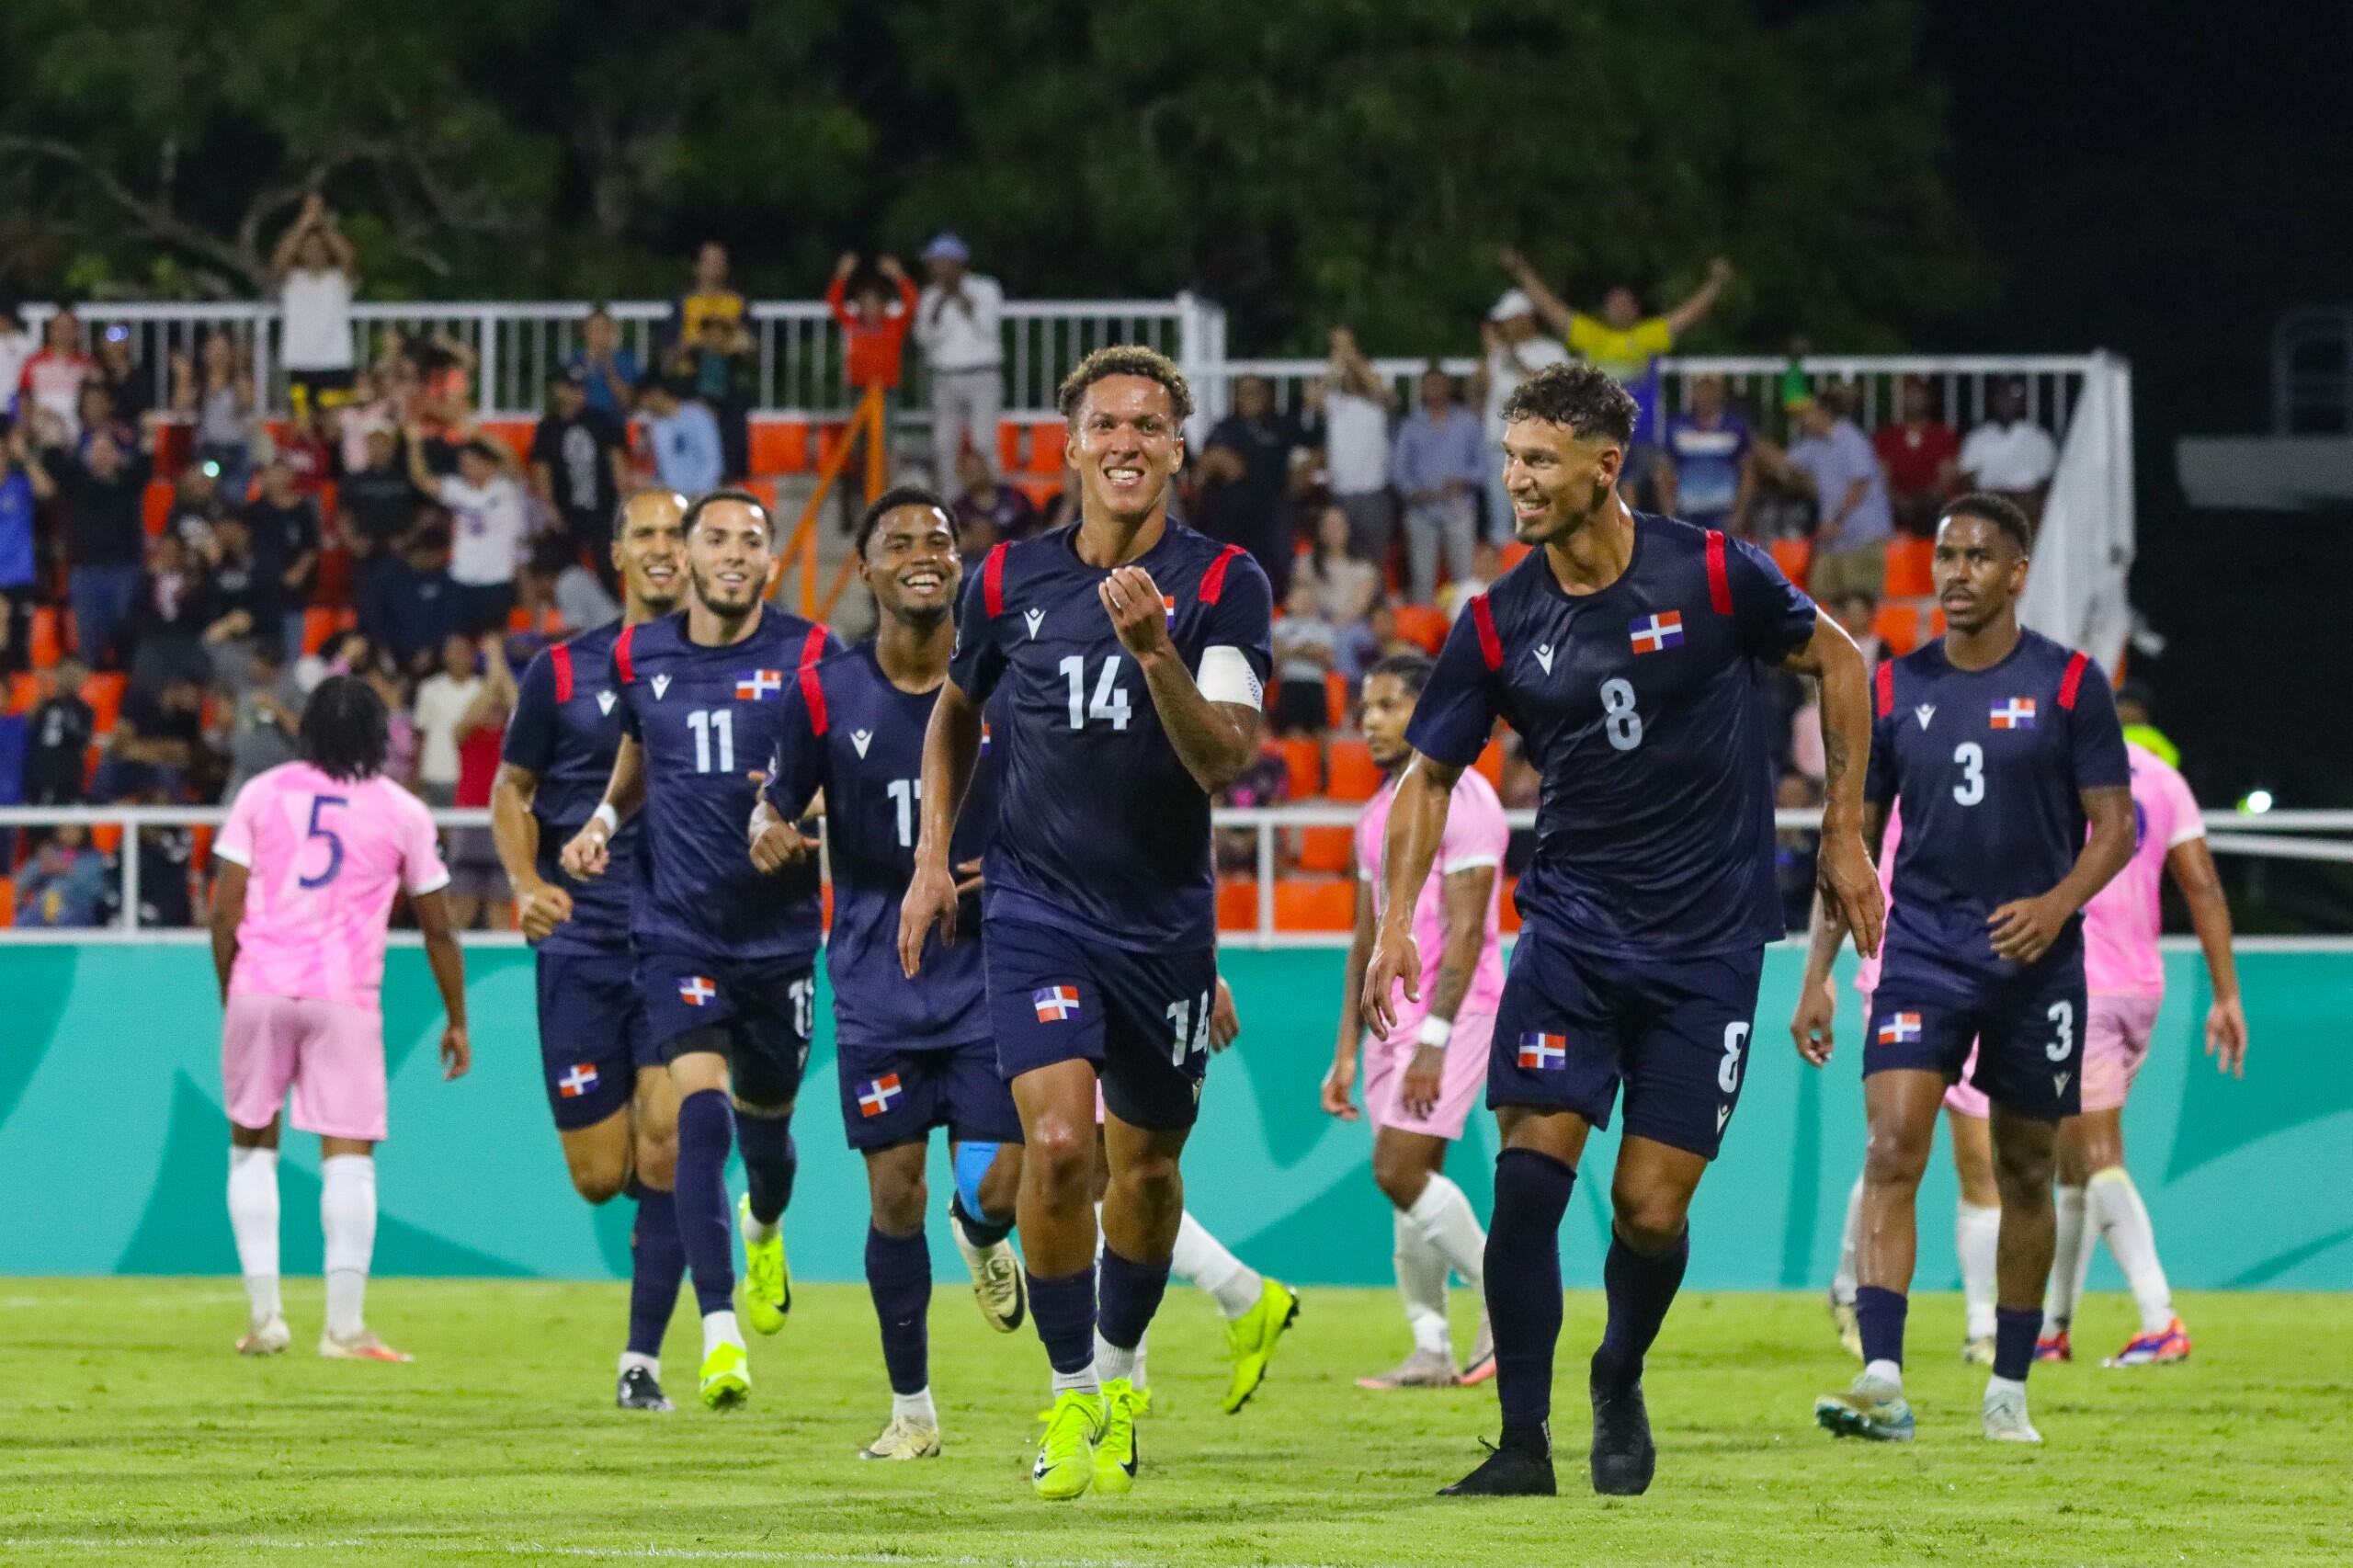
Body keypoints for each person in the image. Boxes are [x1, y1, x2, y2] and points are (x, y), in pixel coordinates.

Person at [1361, 362, 1880, 1498]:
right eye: (1510, 458)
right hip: (1573, 938)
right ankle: (1520, 1445)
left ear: (1605, 466)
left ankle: (1619, 1369)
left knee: (1650, 1210)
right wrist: (1396, 918)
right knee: (1529, 1187)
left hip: (1707, 949)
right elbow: (1428, 772)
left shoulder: (1709, 570)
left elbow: (1841, 658)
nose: (1517, 480)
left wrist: (1841, 834)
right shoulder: (1498, 621)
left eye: (1539, 460)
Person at [897, 345, 1275, 1501]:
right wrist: (930, 861)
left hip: (1160, 922)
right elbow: (955, 713)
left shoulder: (1225, 583)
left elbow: (1226, 756)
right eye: (1106, 423)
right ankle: (1069, 1400)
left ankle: (1117, 1374)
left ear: (1176, 449)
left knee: (1146, 1170)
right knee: (1060, 1146)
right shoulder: (1006, 577)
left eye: (1150, 426)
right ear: (1069, 444)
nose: (1127, 442)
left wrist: (1154, 646)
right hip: (1033, 904)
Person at [1796, 492, 2132, 1447]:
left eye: (1977, 557)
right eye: (1944, 555)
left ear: (2015, 571)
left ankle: (2008, 1387)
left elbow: (2116, 827)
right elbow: (1851, 838)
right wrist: (1816, 971)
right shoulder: (1895, 687)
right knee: (1891, 1146)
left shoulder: (2071, 685)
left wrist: (2057, 903)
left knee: (2025, 1170)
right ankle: (1882, 1374)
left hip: (2035, 963)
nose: (1955, 572)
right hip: (1921, 953)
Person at [753, 488, 1029, 1460]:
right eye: (899, 541)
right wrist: (770, 833)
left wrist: (1010, 867)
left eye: (939, 541)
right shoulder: (823, 691)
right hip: (878, 976)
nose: (923, 553)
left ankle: (984, 1233)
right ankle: (912, 1410)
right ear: (864, 568)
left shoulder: (1008, 682)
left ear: (959, 564)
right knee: (893, 1197)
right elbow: (775, 804)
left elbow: (1061, 803)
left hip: (996, 967)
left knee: (997, 1180)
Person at [561, 489, 840, 1411]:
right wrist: (603, 817)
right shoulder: (641, 654)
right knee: (695, 1112)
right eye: (713, 538)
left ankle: (763, 1224)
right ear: (684, 554)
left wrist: (795, 820)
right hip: (677, 927)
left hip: (779, 937)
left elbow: (854, 776)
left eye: (749, 541)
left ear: (769, 560)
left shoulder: (810, 654)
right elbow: (641, 754)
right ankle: (717, 1329)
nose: (731, 553)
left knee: (768, 1140)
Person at [492, 489, 692, 1411]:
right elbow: (511, 789)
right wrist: (528, 884)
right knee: (600, 1172)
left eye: (677, 533)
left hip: (680, 933)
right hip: (577, 936)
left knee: (668, 1145)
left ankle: (640, 1360)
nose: (663, 547)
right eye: (645, 531)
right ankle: (676, 1220)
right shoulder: (560, 671)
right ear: (617, 552)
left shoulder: (728, 669)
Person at [212, 676, 471, 1361]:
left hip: (259, 984)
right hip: (343, 997)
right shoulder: (402, 810)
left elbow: (224, 908)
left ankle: (266, 1319)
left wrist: (232, 991)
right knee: (349, 1158)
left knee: (250, 1147)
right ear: (380, 736)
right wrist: (457, 1018)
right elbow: (438, 927)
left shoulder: (263, 794)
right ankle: (345, 1329)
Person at [1324, 653, 1504, 1389]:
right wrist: (1345, 1048)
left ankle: (1510, 1299)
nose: (1370, 721)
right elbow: (1365, 938)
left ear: (1427, 709)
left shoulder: (1466, 799)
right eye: (1366, 708)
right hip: (1390, 1020)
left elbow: (1467, 932)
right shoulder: (1376, 812)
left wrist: (1433, 1037)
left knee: (1396, 1169)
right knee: (1413, 1183)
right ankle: (1431, 1347)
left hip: (1454, 1015)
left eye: (1389, 706)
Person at [2040, 737, 2245, 1369]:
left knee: (2096, 1153)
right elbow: (2203, 885)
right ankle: (2051, 1331)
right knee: (2074, 1162)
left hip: (2081, 985)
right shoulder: (2163, 779)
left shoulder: (2055, 768)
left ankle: (2159, 1319)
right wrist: (2227, 994)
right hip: (2139, 990)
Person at [1822, 804, 2006, 1366]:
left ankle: (1984, 1328)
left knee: (1980, 1156)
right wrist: (1818, 973)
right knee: (1894, 1149)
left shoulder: (2011, 754)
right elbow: (1844, 850)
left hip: (1985, 972)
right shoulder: (1904, 753)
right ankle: (1852, 1290)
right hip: (1899, 971)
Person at [1500, 250, 1734, 439]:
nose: (1620, 308)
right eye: (1615, 303)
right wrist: (1521, 271)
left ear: (1636, 309)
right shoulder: (1590, 334)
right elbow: (1549, 306)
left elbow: (1690, 314)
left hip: (1639, 436)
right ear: (1606, 309)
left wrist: (1716, 284)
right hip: (1597, 434)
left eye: (1626, 303)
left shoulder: (1649, 335)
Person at [1752, 388, 1894, 606]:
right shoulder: (1814, 445)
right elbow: (1784, 462)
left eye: (1807, 413)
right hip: (1833, 540)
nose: (1802, 420)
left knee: (1859, 600)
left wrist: (1836, 520)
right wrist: (1749, 438)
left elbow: (1859, 484)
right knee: (1821, 596)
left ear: (1823, 413)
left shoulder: (1851, 438)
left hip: (1862, 536)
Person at [406, 426, 531, 636]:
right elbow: (422, 480)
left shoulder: (508, 488)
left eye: (472, 462)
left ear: (489, 465)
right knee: (457, 642)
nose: (466, 468)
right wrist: (414, 444)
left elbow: (510, 457)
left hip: (497, 580)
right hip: (461, 578)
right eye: (463, 464)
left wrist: (476, 432)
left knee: (493, 645)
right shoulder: (458, 490)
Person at [1473, 291, 1572, 542]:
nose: (1503, 327)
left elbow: (1548, 390)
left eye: (1507, 320)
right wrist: (1488, 354)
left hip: (1537, 453)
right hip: (1499, 450)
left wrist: (1514, 360)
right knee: (1499, 526)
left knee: (1537, 519)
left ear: (1524, 319)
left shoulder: (1552, 350)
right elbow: (1476, 391)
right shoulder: (1498, 354)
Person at [1196, 374, 1306, 595]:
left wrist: (1305, 468)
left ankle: (1280, 602)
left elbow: (1313, 449)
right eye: (1245, 392)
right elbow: (1205, 467)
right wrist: (1218, 461)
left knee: (1278, 534)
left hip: (1271, 504)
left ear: (1267, 396)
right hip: (1230, 510)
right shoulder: (1225, 427)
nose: (1251, 397)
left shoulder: (1280, 425)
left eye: (1257, 391)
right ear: (1236, 397)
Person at [913, 234, 1006, 487]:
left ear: (955, 262)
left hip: (982, 374)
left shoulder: (986, 288)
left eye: (938, 262)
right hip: (945, 377)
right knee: (944, 445)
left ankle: (994, 499)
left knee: (984, 443)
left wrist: (963, 300)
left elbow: (989, 327)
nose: (934, 268)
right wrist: (939, 307)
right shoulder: (930, 296)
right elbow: (922, 338)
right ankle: (952, 505)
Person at [1392, 365, 1486, 607]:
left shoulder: (1467, 423)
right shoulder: (1411, 425)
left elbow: (1483, 466)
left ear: (1449, 387)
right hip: (1421, 511)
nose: (1434, 390)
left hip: (1459, 508)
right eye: (1429, 385)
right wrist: (1414, 493)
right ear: (1422, 389)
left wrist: (1463, 479)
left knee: (1464, 580)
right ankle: (1423, 637)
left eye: (1439, 384)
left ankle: (1467, 636)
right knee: (1423, 579)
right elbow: (1399, 469)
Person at [1313, 329, 1398, 567]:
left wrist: (1350, 354)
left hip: (1374, 491)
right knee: (1340, 561)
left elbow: (1384, 392)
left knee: (1374, 562)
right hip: (1341, 492)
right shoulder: (1333, 400)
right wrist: (1337, 361)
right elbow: (1312, 398)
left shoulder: (1378, 400)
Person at [530, 368, 631, 564]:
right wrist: (550, 508)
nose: (577, 394)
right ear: (558, 390)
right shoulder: (548, 427)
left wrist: (623, 501)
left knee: (608, 564)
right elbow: (543, 470)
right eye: (571, 388)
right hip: (566, 510)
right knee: (557, 565)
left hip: (604, 509)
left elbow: (617, 461)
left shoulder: (601, 420)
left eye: (580, 389)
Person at [271, 193, 359, 415]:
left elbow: (348, 258)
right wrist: (305, 222)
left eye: (319, 247)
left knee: (335, 426)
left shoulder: (338, 279)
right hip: (299, 361)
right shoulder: (292, 280)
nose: (314, 251)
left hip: (336, 361)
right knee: (302, 426)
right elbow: (280, 261)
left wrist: (322, 223)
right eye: (308, 247)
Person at [244, 457, 322, 657]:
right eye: (271, 474)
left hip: (290, 594)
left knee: (291, 654)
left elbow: (311, 546)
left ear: (290, 477)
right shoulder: (254, 510)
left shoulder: (302, 510)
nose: (275, 479)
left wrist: (298, 572)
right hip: (260, 591)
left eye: (280, 473)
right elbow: (244, 544)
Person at [1959, 379, 2060, 530]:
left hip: (2025, 500)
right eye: (2002, 397)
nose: (2007, 402)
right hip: (1990, 498)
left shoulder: (2038, 437)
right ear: (1992, 401)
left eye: (2013, 397)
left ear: (2022, 401)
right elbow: (1967, 476)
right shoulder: (1978, 437)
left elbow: (2047, 479)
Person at [1663, 374, 1756, 537]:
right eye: (1700, 390)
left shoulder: (1735, 428)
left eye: (1710, 390)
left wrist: (1740, 514)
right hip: (1686, 511)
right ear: (1693, 394)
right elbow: (1664, 470)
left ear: (1719, 394)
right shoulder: (1677, 427)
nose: (1705, 396)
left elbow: (1748, 473)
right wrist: (1669, 512)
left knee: (1719, 561)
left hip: (1724, 511)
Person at [1875, 376, 1959, 535]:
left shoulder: (1941, 435)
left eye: (1918, 394)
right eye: (1909, 394)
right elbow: (1883, 476)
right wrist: (1899, 500)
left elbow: (1947, 478)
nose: (1914, 399)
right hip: (1897, 504)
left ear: (1928, 398)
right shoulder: (1887, 436)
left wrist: (1923, 502)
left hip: (1931, 506)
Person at [1295, 503, 1381, 630]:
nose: (1332, 531)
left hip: (1350, 625)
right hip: (1312, 623)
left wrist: (1330, 628)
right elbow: (1298, 599)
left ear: (1347, 529)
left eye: (1337, 526)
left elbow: (1358, 607)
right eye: (1327, 526)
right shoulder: (1305, 563)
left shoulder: (1363, 567)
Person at [948, 447, 1040, 562]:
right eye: (969, 471)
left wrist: (998, 532)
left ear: (986, 468)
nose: (975, 475)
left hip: (1018, 558)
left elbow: (1035, 529)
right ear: (960, 475)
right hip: (977, 566)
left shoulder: (1015, 497)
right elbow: (953, 544)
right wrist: (972, 538)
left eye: (977, 468)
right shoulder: (957, 510)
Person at [637, 376, 725, 497]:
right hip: (672, 502)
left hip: (701, 498)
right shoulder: (657, 427)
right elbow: (662, 473)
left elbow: (713, 464)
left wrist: (697, 496)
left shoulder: (698, 416)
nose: (643, 406)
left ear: (656, 393)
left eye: (643, 400)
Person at [17, 309, 94, 437]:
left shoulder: (87, 363)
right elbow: (24, 397)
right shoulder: (33, 362)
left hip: (79, 422)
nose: (64, 332)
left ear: (77, 331)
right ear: (50, 330)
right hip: (43, 420)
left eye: (69, 328)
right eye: (59, 327)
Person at [567, 306, 641, 424]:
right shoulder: (576, 360)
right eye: (594, 330)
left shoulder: (625, 360)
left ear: (611, 333)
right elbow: (571, 404)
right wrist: (587, 367)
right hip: (583, 426)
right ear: (586, 333)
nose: (599, 336)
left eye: (603, 330)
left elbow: (627, 403)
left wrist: (610, 369)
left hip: (613, 424)